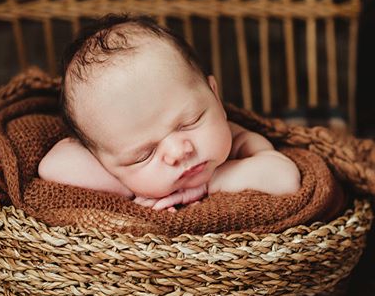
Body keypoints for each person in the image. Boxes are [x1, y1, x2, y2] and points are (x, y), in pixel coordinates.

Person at [38, 15, 301, 210]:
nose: (177, 152)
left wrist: (208, 184)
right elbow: (53, 166)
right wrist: (132, 184)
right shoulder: (121, 165)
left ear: (215, 96)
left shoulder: (239, 142)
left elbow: (284, 177)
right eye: (144, 154)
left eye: (190, 122)